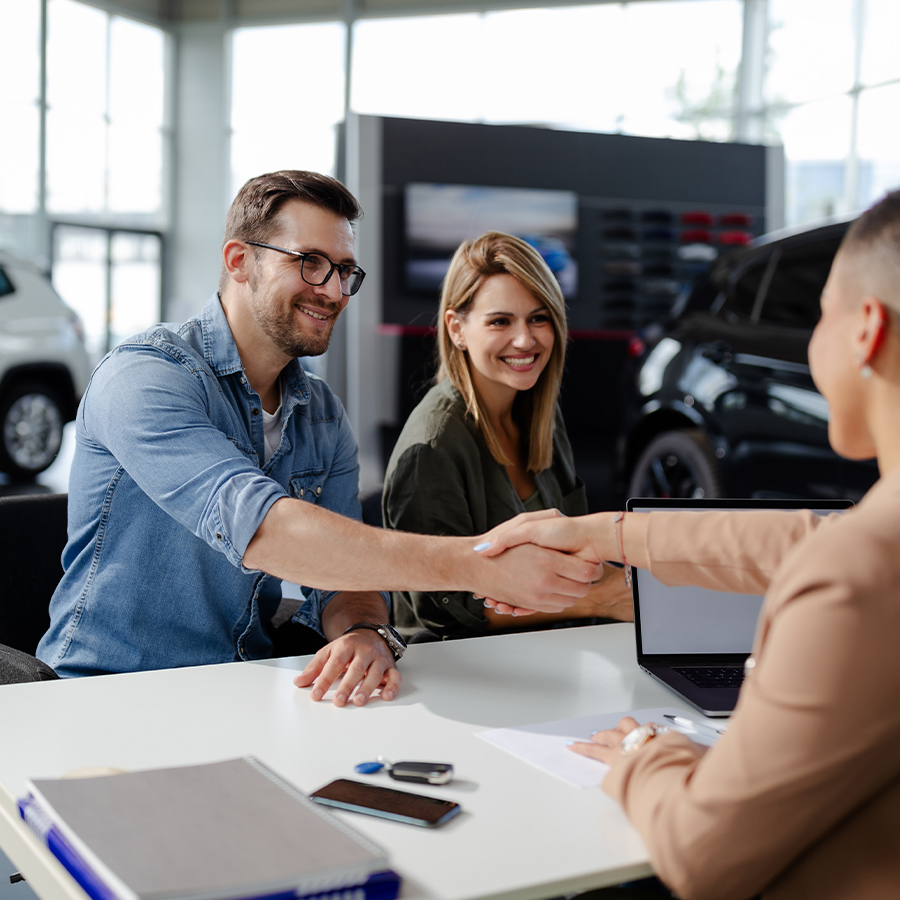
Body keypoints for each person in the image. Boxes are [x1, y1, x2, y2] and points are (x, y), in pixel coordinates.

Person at [37, 171, 601, 704]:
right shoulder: (146, 377)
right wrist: (479, 565)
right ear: (240, 261)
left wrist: (361, 630)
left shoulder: (322, 413)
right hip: (107, 693)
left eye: (344, 270)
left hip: (240, 687)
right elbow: (266, 531)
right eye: (310, 263)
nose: (332, 291)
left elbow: (345, 581)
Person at [478, 191, 900, 898]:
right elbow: (812, 537)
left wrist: (646, 753)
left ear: (866, 331)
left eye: (818, 314)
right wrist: (611, 533)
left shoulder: (854, 579)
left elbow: (704, 855)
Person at [382, 232, 632, 639]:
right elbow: (446, 612)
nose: (525, 340)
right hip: (466, 671)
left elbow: (577, 550)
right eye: (500, 321)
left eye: (539, 317)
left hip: (555, 649)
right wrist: (603, 599)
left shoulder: (540, 415)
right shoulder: (431, 447)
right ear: (457, 329)